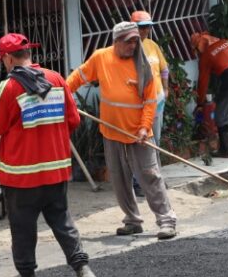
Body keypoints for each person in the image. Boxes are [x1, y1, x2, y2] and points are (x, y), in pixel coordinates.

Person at [0, 32, 99, 277]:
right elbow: (74, 120)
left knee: (23, 228)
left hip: (21, 176)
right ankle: (83, 270)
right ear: (28, 54)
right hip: (55, 169)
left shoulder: (8, 88)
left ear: (9, 58)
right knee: (62, 221)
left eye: (4, 60)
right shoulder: (56, 79)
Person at [66, 21, 178, 239]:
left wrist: (145, 128)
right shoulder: (101, 57)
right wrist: (64, 94)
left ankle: (167, 221)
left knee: (150, 177)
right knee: (119, 179)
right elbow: (78, 77)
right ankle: (132, 220)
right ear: (116, 41)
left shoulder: (142, 65)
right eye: (129, 42)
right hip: (112, 133)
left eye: (136, 42)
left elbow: (150, 101)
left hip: (139, 134)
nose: (133, 46)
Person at [131, 11, 170, 146]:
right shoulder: (129, 48)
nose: (146, 30)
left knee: (156, 136)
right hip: (139, 100)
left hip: (156, 98)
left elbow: (164, 68)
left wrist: (165, 89)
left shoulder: (152, 45)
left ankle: (155, 165)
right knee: (143, 136)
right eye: (142, 27)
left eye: (148, 27)